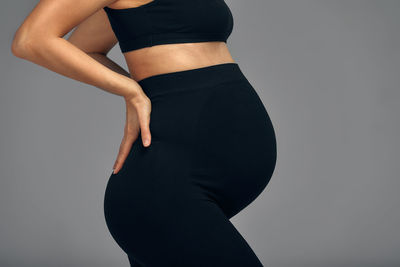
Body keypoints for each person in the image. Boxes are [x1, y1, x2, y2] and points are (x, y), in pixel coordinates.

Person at [11, 0, 277, 266]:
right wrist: (130, 90)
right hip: (163, 193)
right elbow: (30, 39)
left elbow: (84, 48)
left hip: (185, 187)